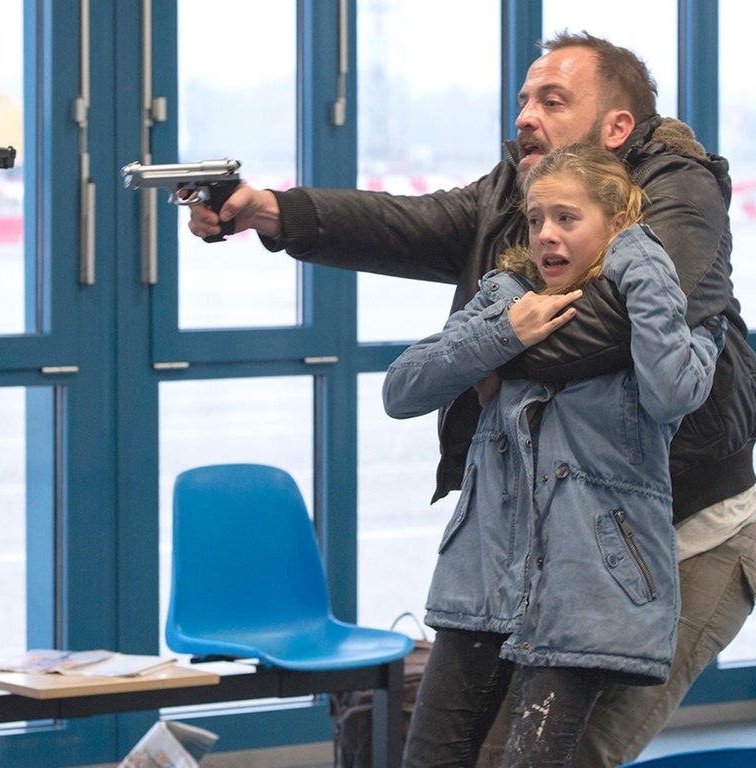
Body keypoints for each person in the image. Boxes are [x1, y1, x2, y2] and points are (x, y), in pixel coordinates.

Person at [188, 31, 756, 767]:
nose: (524, 115)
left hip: (687, 530)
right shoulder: (519, 195)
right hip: (549, 539)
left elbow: (616, 330)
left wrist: (496, 347)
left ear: (617, 129)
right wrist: (271, 210)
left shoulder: (680, 190)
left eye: (553, 100)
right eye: (523, 99)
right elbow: (410, 225)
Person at [381, 143, 723, 767]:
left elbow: (673, 392)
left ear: (617, 223)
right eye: (536, 219)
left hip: (587, 586)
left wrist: (640, 258)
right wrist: (503, 334)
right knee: (427, 758)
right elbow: (400, 390)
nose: (546, 235)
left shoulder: (676, 312)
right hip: (480, 581)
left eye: (567, 218)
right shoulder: (505, 298)